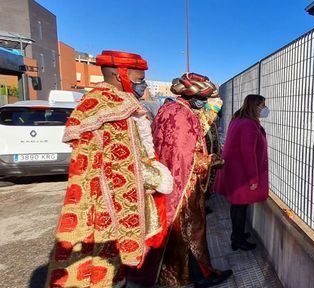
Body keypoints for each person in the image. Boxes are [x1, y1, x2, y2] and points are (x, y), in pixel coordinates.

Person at [46, 50, 174, 287]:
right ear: (119, 74)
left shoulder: (94, 101)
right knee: (107, 265)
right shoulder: (115, 109)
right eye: (139, 79)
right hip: (109, 202)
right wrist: (159, 178)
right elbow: (124, 164)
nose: (142, 85)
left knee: (102, 265)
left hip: (94, 195)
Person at [129, 73, 232, 287]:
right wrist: (212, 161)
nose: (204, 103)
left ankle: (189, 274)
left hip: (170, 182)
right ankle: (200, 276)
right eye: (203, 99)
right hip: (183, 185)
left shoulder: (169, 109)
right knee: (190, 232)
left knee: (180, 235)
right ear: (191, 95)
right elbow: (183, 158)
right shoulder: (182, 117)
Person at [215, 94, 270, 251]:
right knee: (239, 207)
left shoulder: (238, 119)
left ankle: (237, 234)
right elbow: (248, 153)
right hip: (242, 174)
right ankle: (237, 240)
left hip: (235, 171)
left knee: (238, 206)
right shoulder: (248, 125)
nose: (264, 108)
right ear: (254, 106)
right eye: (262, 105)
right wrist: (253, 178)